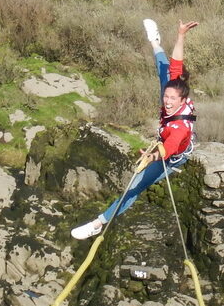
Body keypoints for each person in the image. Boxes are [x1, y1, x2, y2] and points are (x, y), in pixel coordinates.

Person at [72, 19, 199, 240]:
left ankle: (98, 223)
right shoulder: (175, 91)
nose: (166, 101)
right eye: (165, 97)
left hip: (171, 157)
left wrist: (151, 157)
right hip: (167, 142)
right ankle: (155, 42)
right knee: (165, 70)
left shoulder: (179, 127)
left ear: (182, 99)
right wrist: (181, 35)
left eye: (171, 99)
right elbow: (177, 60)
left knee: (136, 185)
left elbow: (167, 149)